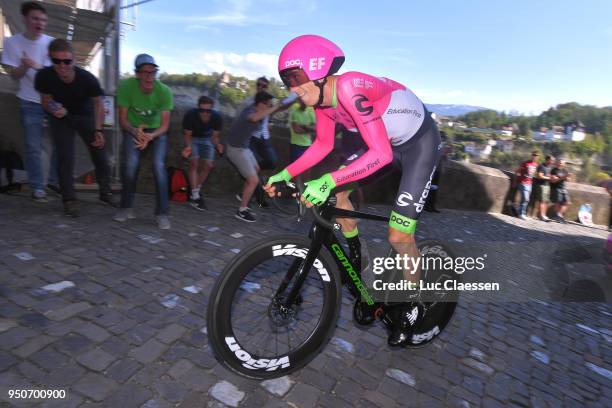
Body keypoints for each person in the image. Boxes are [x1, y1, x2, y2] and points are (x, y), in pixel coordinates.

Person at [265, 34, 443, 346]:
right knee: (336, 195)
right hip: (378, 141)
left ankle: (416, 302)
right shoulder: (322, 100)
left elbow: (382, 156)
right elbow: (322, 144)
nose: (291, 88)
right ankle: (356, 252)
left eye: (295, 77)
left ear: (317, 68)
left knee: (399, 235)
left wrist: (328, 180)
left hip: (418, 145)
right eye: (285, 81)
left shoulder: (348, 87)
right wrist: (285, 172)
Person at [34, 39, 115, 217]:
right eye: (57, 61)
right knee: (65, 157)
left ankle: (106, 192)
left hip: (85, 116)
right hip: (61, 117)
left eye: (67, 61)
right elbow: (45, 101)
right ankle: (69, 200)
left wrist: (98, 130)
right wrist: (56, 109)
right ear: (50, 59)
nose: (62, 66)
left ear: (74, 60)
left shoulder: (87, 79)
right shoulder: (44, 76)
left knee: (100, 154)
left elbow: (98, 104)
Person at [1, 1, 58, 202]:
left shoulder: (52, 44)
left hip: (52, 101)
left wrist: (33, 64)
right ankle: (37, 187)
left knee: (60, 143)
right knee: (33, 146)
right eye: (35, 18)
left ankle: (54, 182)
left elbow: (55, 75)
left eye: (43, 19)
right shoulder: (12, 43)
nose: (40, 22)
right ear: (25, 19)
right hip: (28, 100)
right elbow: (14, 75)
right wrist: (25, 67)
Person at [114, 54, 173, 230]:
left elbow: (165, 125)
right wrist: (134, 132)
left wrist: (150, 136)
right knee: (131, 165)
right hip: (133, 128)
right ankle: (126, 207)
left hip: (156, 131)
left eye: (153, 72)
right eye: (145, 73)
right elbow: (122, 120)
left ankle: (162, 213)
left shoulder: (164, 91)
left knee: (158, 166)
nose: (149, 77)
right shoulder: (126, 87)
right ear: (137, 74)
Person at [227, 91, 283, 222]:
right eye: (268, 105)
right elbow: (253, 118)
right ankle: (241, 210)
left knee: (256, 168)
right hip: (236, 149)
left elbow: (265, 117)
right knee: (253, 180)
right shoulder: (249, 111)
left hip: (244, 148)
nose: (270, 107)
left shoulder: (261, 114)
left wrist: (283, 103)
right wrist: (274, 107)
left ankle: (243, 196)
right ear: (261, 104)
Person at [181, 95, 224, 211]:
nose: (205, 113)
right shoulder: (190, 115)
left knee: (209, 166)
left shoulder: (217, 118)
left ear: (212, 109)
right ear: (198, 108)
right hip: (193, 138)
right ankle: (195, 196)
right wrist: (188, 147)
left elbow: (214, 138)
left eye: (208, 110)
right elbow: (187, 136)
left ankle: (195, 189)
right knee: (194, 162)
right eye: (202, 110)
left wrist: (218, 145)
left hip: (207, 139)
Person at [514, 151, 539, 220]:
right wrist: (515, 181)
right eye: (534, 155)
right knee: (525, 198)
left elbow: (534, 175)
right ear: (532, 156)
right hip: (522, 182)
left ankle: (519, 211)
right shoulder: (525, 163)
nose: (535, 156)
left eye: (536, 155)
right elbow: (517, 171)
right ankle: (521, 213)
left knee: (525, 199)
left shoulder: (536, 165)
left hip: (529, 183)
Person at [533, 155, 554, 221]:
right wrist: (549, 178)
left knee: (546, 201)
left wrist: (552, 177)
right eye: (551, 160)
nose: (552, 162)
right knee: (542, 201)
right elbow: (539, 176)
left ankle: (544, 215)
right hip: (541, 185)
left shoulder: (549, 167)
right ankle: (541, 216)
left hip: (547, 185)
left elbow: (548, 175)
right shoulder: (541, 166)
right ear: (547, 160)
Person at [550, 158, 571, 223]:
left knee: (567, 202)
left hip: (563, 188)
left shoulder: (565, 171)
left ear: (564, 164)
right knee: (558, 203)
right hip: (556, 188)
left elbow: (568, 180)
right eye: (559, 162)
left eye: (561, 163)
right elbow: (554, 181)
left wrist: (568, 177)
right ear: (557, 163)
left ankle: (558, 215)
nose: (560, 164)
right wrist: (564, 177)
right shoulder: (554, 170)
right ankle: (558, 216)